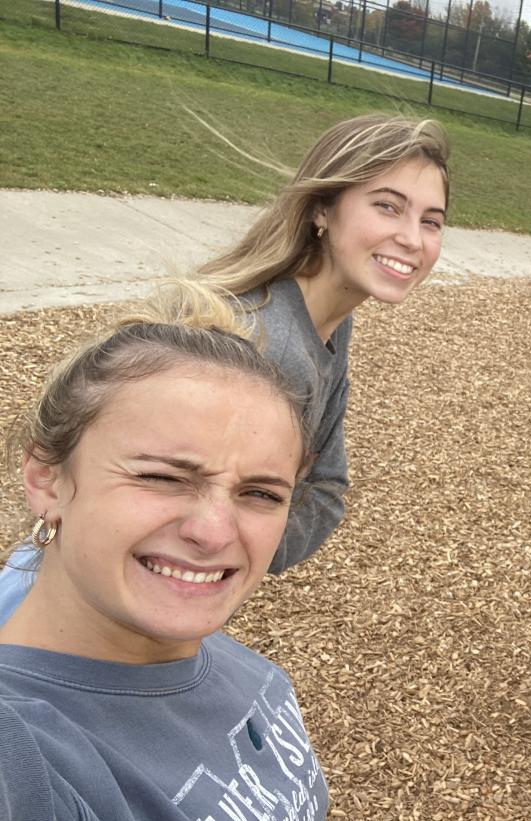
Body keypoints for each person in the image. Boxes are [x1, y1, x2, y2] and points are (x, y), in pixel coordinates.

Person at [0, 112, 450, 617]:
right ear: (322, 209)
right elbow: (173, 510)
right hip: (96, 602)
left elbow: (326, 486)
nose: (412, 238)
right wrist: (241, 550)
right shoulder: (260, 345)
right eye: (388, 207)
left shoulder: (328, 321)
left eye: (430, 221)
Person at [0, 286, 330, 821]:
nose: (214, 531)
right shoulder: (28, 755)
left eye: (260, 493)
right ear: (47, 478)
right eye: (162, 477)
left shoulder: (218, 657)